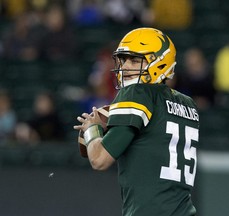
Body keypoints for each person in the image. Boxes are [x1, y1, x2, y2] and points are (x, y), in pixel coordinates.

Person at [74, 27, 199, 215]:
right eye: (123, 60)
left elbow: (99, 159)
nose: (125, 67)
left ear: (160, 62)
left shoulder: (137, 93)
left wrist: (92, 129)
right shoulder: (188, 104)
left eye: (134, 60)